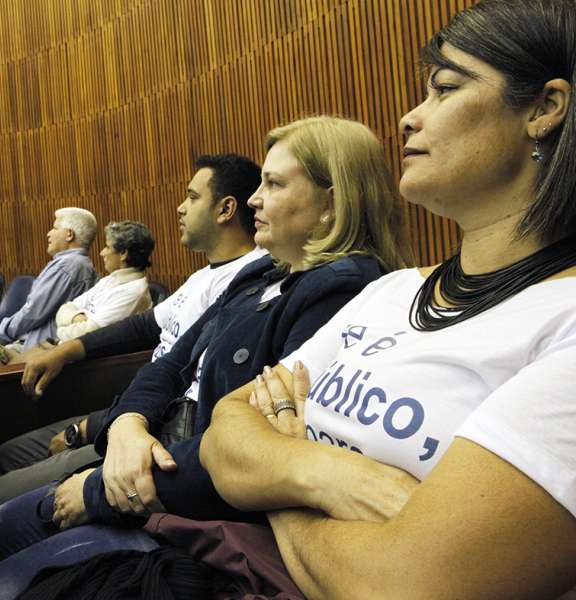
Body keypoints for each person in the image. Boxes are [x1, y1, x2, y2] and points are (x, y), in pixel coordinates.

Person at [200, 2, 576, 598]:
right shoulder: (391, 290)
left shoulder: (566, 324)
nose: (408, 117)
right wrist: (327, 475)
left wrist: (280, 480)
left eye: (445, 88)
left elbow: (400, 583)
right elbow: (224, 430)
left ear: (544, 109)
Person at [0, 115, 412, 590]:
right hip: (154, 449)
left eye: (273, 184)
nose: (255, 199)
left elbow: (257, 450)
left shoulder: (342, 290)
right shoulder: (261, 274)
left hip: (197, 496)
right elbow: (173, 362)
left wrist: (97, 491)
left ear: (330, 203)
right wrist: (129, 425)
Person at [0, 153, 266, 515]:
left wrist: (89, 427)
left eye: (192, 197)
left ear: (225, 210)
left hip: (158, 427)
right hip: (131, 408)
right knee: (5, 454)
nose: (180, 208)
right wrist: (67, 350)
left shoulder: (248, 278)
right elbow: (146, 326)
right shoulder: (203, 276)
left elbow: (186, 382)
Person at [0, 207, 99, 367]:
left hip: (39, 352)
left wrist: (1, 334)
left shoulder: (67, 267)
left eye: (54, 228)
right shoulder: (80, 264)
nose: (49, 233)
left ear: (69, 234)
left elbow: (33, 313)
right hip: (41, 347)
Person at [54, 221, 154, 342]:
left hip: (93, 359)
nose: (102, 253)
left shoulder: (135, 293)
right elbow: (65, 308)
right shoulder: (110, 280)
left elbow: (86, 336)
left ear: (123, 253)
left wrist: (61, 330)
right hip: (65, 350)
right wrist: (77, 317)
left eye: (107, 247)